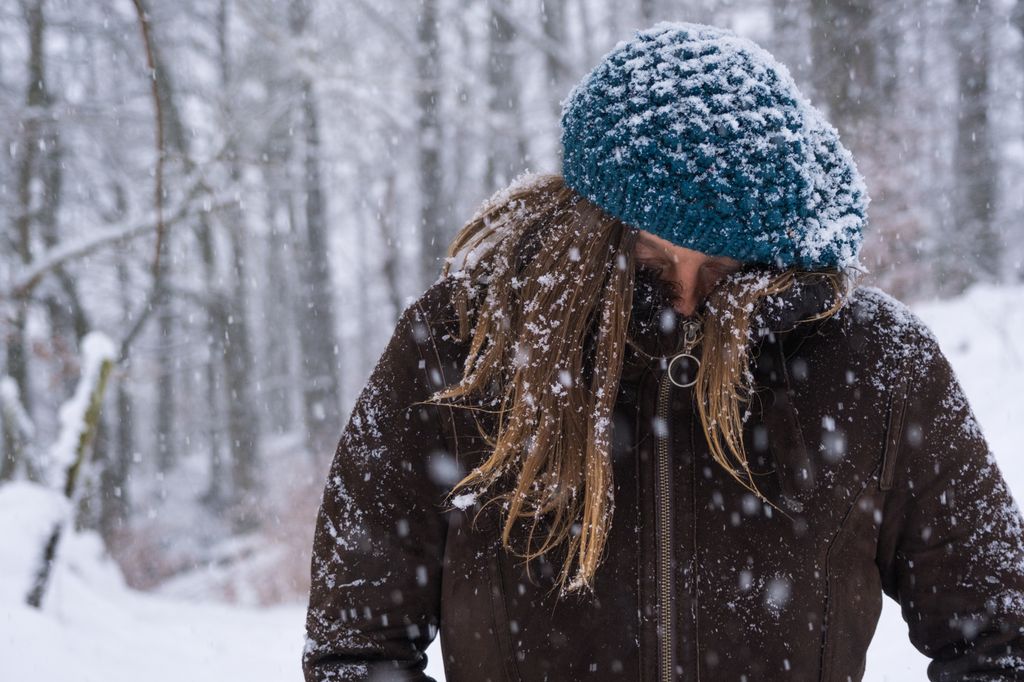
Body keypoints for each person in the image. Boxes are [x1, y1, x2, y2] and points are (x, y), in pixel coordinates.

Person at [302, 21, 1024, 682]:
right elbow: (355, 648)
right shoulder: (465, 344)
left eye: (721, 268)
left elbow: (1002, 637)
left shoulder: (875, 361)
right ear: (594, 226)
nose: (684, 298)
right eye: (652, 257)